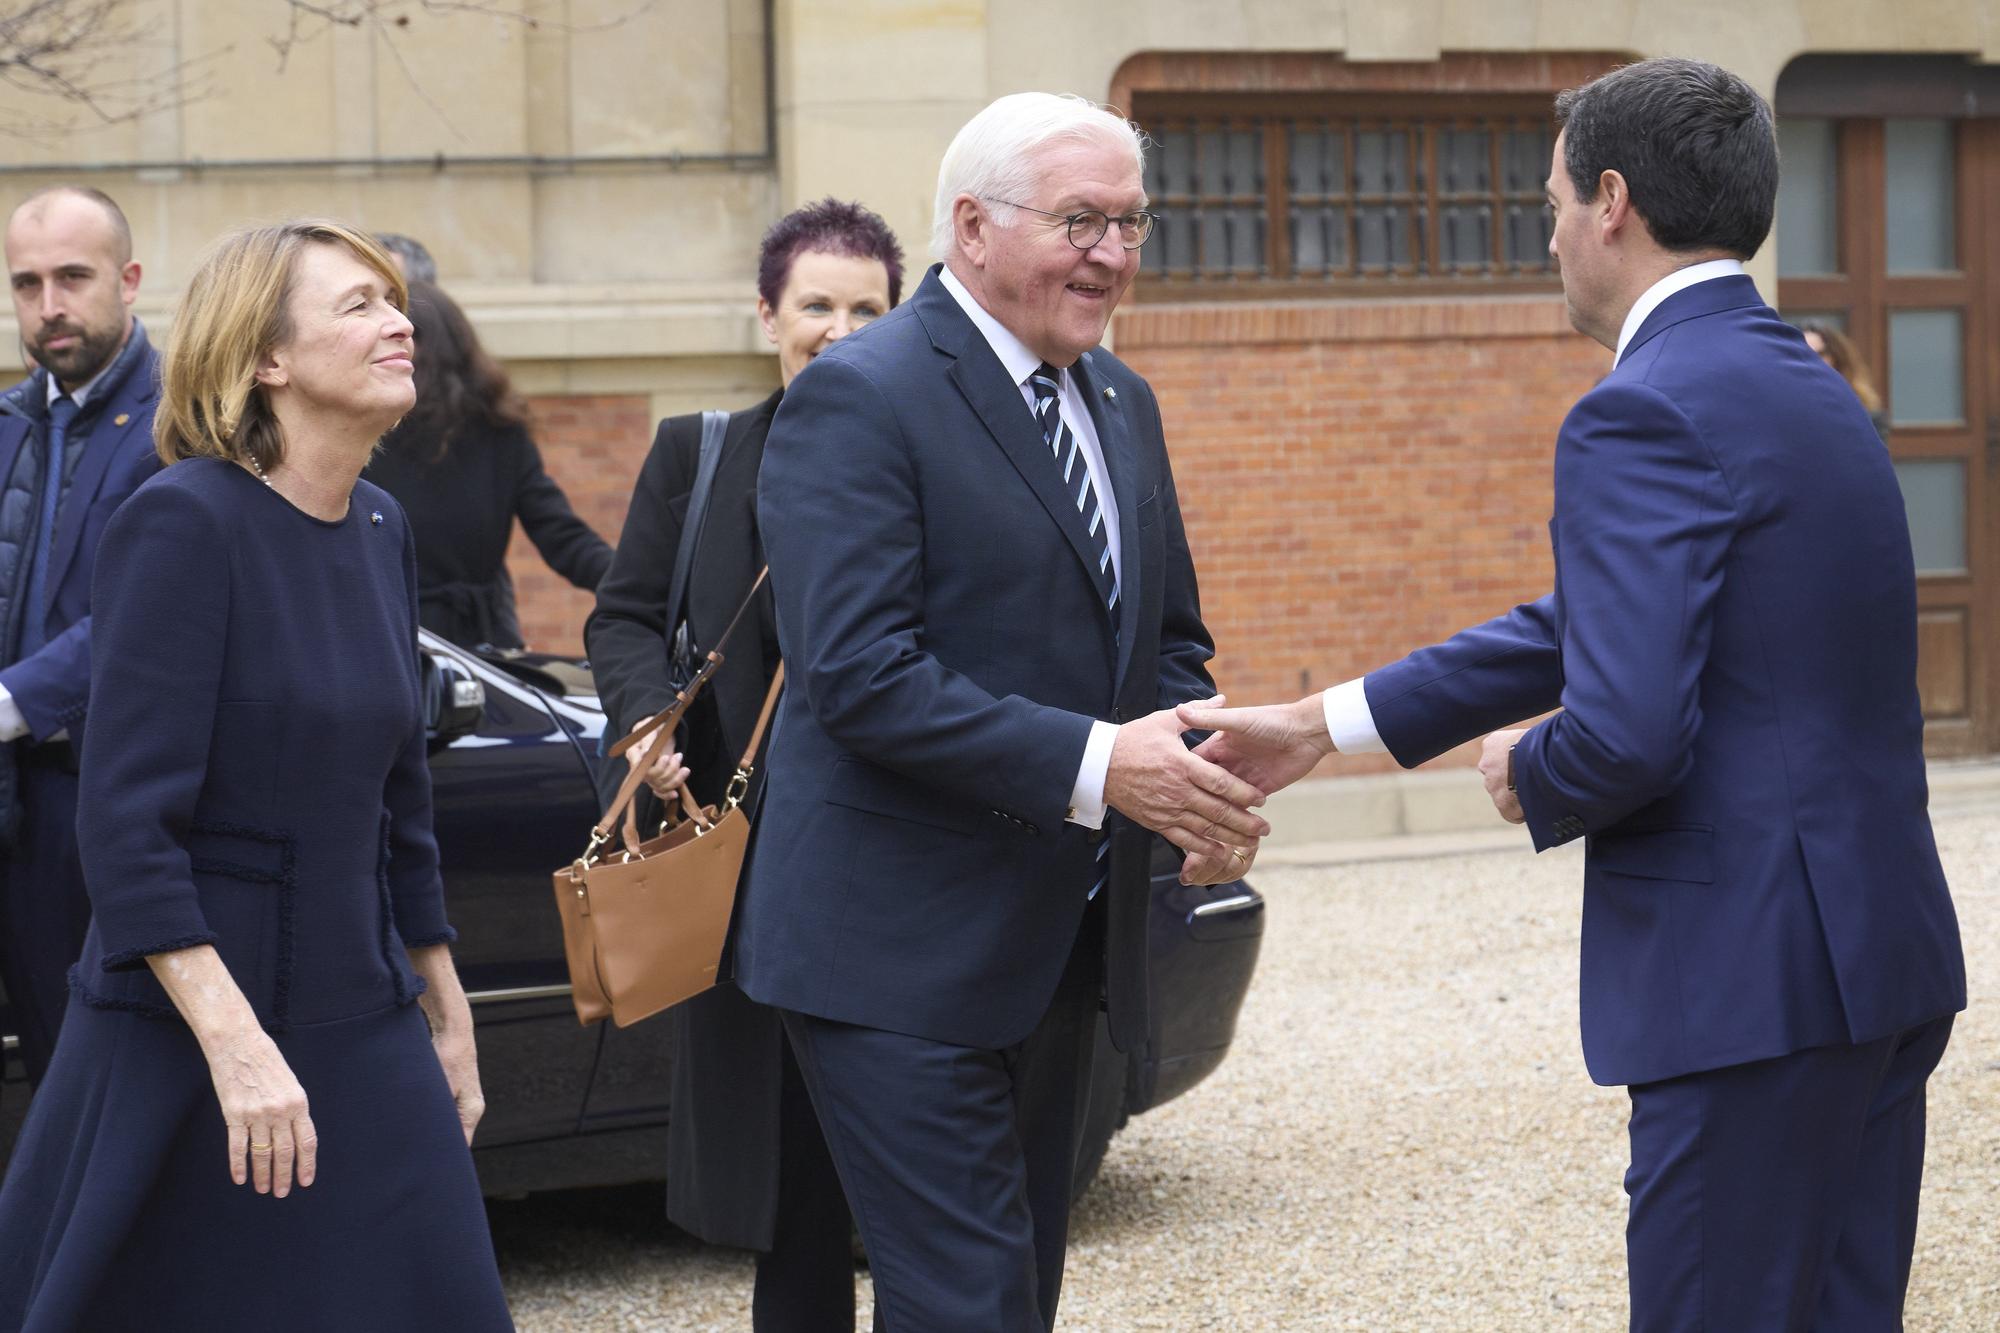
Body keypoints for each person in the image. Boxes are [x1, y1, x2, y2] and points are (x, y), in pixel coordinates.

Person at [1182, 59, 1965, 1331]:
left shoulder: (1638, 409)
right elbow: (1590, 625)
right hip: (1871, 959)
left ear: (1610, 201)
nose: (1543, 232)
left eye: (1547, 200)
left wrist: (1527, 770)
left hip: (1743, 988)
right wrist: (1320, 724)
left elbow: (1625, 732)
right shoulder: (1806, 385)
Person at [736, 93, 1268, 1331]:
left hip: (1061, 946)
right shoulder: (862, 396)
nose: (1113, 253)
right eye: (1080, 220)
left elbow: (1166, 641)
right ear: (969, 227)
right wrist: (1102, 766)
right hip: (890, 954)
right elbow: (858, 670)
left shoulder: (1120, 402)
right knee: (965, 1302)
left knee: (1012, 1294)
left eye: (1132, 223)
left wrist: (1193, 771)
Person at [0, 220, 511, 1330]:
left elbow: (398, 799)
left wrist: (445, 998)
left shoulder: (379, 523)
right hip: (190, 1020)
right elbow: (128, 826)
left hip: (360, 1000)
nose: (398, 323)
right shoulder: (182, 522)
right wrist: (236, 1051)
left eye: (394, 302)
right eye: (358, 305)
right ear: (267, 357)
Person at [585, 196, 904, 1331]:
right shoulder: (701, 452)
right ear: (765, 313)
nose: (841, 327)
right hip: (741, 858)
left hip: (893, 857)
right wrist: (641, 722)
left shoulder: (934, 459)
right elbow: (622, 617)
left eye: (868, 307)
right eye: (816, 303)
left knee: (909, 1167)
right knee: (786, 1173)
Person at [0, 186, 162, 1089]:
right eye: (27, 284)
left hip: (96, 799)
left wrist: (12, 703)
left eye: (73, 277)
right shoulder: (15, 422)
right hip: (14, 798)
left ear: (129, 280)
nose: (49, 305)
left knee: (90, 1071)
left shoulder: (184, 421)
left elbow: (147, 609)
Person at [365, 280, 612, 649]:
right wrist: (635, 584)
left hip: (398, 637)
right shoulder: (501, 428)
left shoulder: (369, 430)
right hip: (487, 647)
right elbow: (562, 535)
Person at [1799, 319, 1889, 440]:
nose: (1813, 361)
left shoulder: (1863, 413)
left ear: (1836, 357)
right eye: (1804, 354)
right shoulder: (1783, 404)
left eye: (1820, 354)